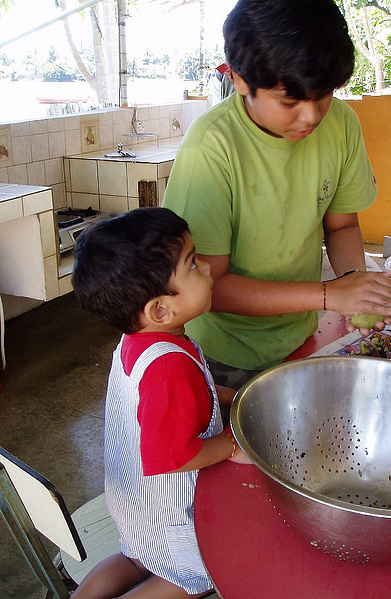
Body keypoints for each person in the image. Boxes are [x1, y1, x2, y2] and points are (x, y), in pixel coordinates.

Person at [163, 0, 391, 389]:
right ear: (240, 79)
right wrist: (329, 294)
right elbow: (209, 286)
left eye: (323, 96)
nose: (311, 116)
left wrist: (358, 288)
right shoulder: (210, 148)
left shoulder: (341, 124)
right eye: (289, 101)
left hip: (301, 334)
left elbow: (342, 225)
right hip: (224, 352)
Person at [70, 207, 250, 599]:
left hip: (131, 499)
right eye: (192, 264)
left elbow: (176, 400)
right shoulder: (169, 368)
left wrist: (232, 396)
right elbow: (176, 455)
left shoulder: (141, 341)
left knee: (135, 559)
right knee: (187, 579)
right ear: (160, 309)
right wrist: (233, 446)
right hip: (167, 513)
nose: (206, 266)